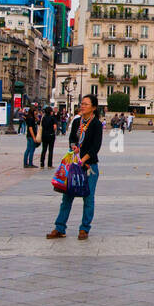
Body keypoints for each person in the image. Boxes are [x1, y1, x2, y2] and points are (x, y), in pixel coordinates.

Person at [47, 94, 103, 241]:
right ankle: (60, 228)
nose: (82, 106)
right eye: (82, 104)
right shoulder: (77, 121)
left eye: (86, 104)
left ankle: (84, 229)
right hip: (75, 164)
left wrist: (82, 160)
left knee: (88, 198)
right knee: (67, 196)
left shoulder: (96, 124)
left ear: (94, 107)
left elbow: (95, 147)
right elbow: (72, 138)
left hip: (89, 166)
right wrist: (73, 146)